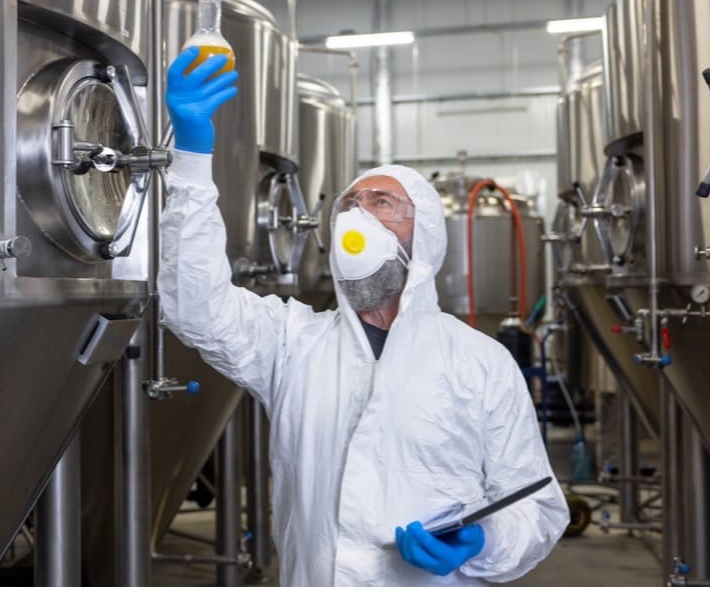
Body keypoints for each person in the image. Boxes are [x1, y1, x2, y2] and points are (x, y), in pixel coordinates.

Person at [159, 46, 569, 586]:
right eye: (350, 204)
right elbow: (195, 304)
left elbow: (536, 507)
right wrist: (189, 155)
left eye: (382, 203)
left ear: (423, 235)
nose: (358, 214)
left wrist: (485, 541)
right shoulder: (292, 343)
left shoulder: (480, 362)